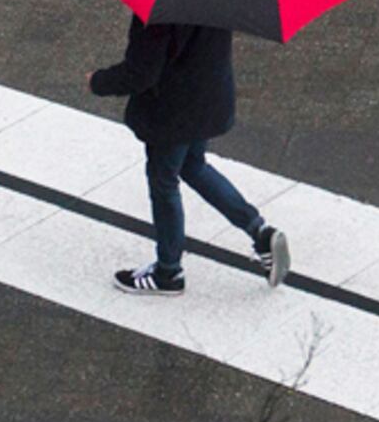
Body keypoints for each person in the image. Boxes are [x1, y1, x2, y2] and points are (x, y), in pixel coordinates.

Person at [89, 16, 289, 297]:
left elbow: (142, 72)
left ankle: (168, 271)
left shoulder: (160, 12)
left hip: (172, 110)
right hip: (208, 99)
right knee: (193, 166)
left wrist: (98, 81)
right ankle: (259, 231)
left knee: (164, 183)